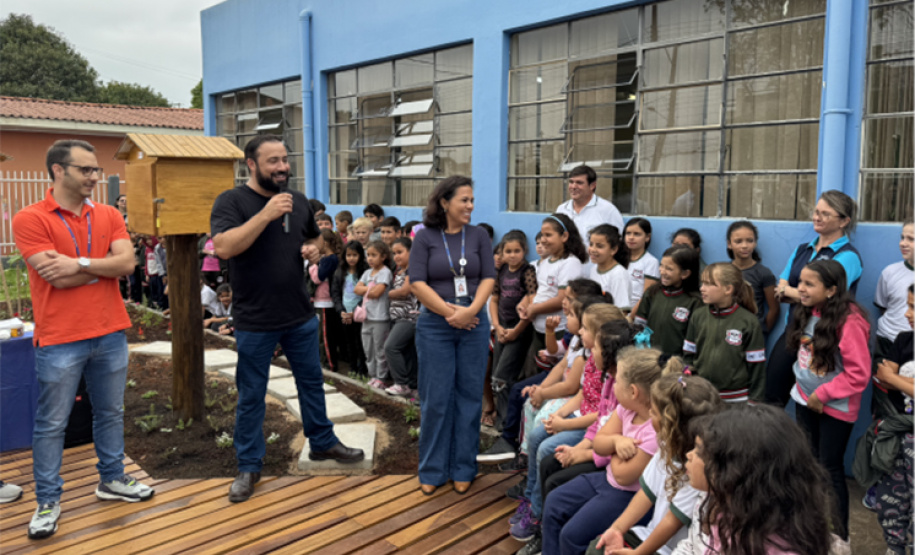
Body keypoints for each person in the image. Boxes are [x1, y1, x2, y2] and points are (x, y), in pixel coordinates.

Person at [210, 135, 363, 503]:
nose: (282, 167)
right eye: (272, 161)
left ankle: (322, 442)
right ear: (251, 164)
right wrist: (266, 214)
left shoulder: (296, 200)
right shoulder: (232, 201)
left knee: (311, 383)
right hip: (255, 319)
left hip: (298, 314)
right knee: (251, 395)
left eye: (284, 159)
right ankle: (249, 465)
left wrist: (312, 249)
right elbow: (225, 247)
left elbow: (313, 241)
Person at [13, 139, 153, 539]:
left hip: (109, 331)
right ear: (59, 170)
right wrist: (101, 269)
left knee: (110, 413)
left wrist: (79, 263)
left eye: (96, 169)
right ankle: (47, 501)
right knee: (52, 423)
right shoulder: (30, 218)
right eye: (85, 169)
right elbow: (54, 277)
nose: (95, 176)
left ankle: (112, 479)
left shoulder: (107, 214)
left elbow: (128, 263)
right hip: (60, 338)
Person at [511, 303, 626, 546]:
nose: (580, 332)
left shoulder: (617, 380)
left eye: (585, 328)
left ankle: (538, 516)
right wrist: (560, 416)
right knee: (537, 435)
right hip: (589, 430)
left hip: (594, 436)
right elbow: (586, 396)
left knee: (547, 450)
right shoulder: (594, 361)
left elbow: (601, 417)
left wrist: (567, 431)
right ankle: (531, 500)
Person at [410, 175, 495, 496]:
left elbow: (488, 277)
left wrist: (470, 311)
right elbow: (417, 282)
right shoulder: (424, 237)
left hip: (473, 324)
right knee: (436, 399)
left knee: (469, 398)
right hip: (435, 326)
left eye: (472, 200)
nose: (470, 206)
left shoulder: (479, 236)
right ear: (445, 202)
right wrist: (451, 314)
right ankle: (432, 469)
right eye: (464, 200)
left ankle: (463, 467)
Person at [540, 343, 661, 555]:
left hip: (628, 496)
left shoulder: (655, 432)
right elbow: (599, 443)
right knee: (554, 502)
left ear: (633, 391)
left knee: (572, 535)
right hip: (606, 480)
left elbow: (623, 476)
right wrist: (616, 442)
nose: (613, 385)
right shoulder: (625, 409)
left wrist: (609, 445)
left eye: (618, 381)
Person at [589, 372, 724, 555]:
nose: (649, 415)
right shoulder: (667, 446)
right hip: (649, 537)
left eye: (653, 412)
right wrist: (617, 529)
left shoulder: (698, 471)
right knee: (598, 547)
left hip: (671, 549)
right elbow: (647, 493)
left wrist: (638, 553)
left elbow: (671, 522)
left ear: (670, 424)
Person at [674, 405, 837, 555]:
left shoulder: (777, 549)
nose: (689, 455)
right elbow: (692, 546)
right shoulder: (718, 503)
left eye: (700, 452)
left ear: (736, 471)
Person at [788, 259, 870, 542]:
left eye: (809, 284)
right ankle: (809, 528)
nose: (801, 288)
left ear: (832, 290)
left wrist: (821, 395)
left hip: (834, 408)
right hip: (804, 401)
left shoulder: (850, 321)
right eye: (800, 282)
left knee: (829, 469)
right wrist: (802, 387)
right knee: (808, 465)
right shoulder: (808, 310)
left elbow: (859, 374)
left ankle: (840, 538)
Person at [768, 190, 862, 406]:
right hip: (793, 330)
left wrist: (791, 292)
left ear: (844, 221)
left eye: (825, 214)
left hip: (824, 337)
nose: (817, 218)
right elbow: (780, 287)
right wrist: (795, 292)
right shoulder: (803, 249)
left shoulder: (848, 257)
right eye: (816, 212)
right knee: (772, 396)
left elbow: (825, 297)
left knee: (813, 404)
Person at [684, 263, 766, 404]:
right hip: (702, 397)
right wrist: (688, 380)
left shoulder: (749, 321)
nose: (702, 288)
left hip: (736, 400)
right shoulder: (698, 316)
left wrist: (755, 400)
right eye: (702, 283)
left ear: (728, 289)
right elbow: (688, 355)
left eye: (709, 284)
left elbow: (757, 366)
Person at [517, 213, 588, 375]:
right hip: (539, 329)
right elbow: (540, 291)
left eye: (548, 235)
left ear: (564, 236)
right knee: (532, 372)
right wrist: (525, 304)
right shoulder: (546, 262)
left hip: (558, 331)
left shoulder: (570, 263)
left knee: (551, 375)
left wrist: (534, 309)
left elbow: (563, 298)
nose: (543, 239)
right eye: (542, 235)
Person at [489, 230, 537, 427]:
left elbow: (532, 302)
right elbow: (494, 300)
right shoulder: (501, 271)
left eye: (517, 251)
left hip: (520, 331)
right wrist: (497, 326)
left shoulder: (527, 271)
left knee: (503, 377)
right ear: (502, 253)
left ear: (524, 251)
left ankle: (509, 424)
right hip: (502, 328)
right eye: (508, 251)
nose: (512, 255)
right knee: (496, 379)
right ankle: (503, 420)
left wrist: (516, 331)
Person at [632, 245, 702, 358]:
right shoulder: (652, 292)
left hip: (675, 362)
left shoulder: (695, 302)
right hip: (649, 358)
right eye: (661, 266)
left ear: (685, 274)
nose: (662, 271)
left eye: (669, 269)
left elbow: (693, 340)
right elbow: (639, 326)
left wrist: (685, 364)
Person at [725, 221, 779, 335]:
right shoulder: (723, 272)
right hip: (727, 330)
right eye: (738, 241)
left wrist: (761, 332)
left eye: (750, 240)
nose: (745, 246)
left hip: (753, 332)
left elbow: (774, 309)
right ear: (729, 244)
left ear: (755, 243)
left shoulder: (764, 273)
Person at [354, 240, 393, 390]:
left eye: (374, 255)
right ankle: (373, 375)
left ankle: (381, 378)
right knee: (368, 349)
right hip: (366, 317)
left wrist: (366, 288)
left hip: (380, 318)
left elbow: (377, 293)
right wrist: (371, 288)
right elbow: (357, 289)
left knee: (379, 349)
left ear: (383, 256)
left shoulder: (385, 272)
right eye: (368, 255)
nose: (370, 258)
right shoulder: (367, 273)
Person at [384, 237, 420, 397]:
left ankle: (401, 383)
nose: (396, 256)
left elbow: (405, 291)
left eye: (400, 252)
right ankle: (413, 386)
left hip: (409, 317)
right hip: (398, 318)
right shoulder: (399, 271)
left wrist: (387, 293)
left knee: (391, 347)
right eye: (394, 253)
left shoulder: (413, 269)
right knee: (408, 352)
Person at [555, 165, 624, 247]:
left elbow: (619, 241)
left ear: (592, 185)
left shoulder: (608, 210)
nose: (573, 187)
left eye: (579, 183)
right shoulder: (562, 209)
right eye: (571, 182)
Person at [332, 241, 370, 376]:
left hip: (360, 314)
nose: (351, 258)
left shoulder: (365, 272)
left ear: (361, 256)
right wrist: (341, 311)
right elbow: (335, 293)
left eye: (355, 255)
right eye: (348, 255)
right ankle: (353, 367)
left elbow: (366, 295)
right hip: (345, 313)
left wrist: (356, 311)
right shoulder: (340, 272)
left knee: (360, 342)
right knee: (349, 342)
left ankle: (363, 370)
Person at [310, 229, 342, 372]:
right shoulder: (325, 259)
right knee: (320, 336)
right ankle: (323, 361)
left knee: (326, 337)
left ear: (325, 243)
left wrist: (313, 265)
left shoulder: (330, 259)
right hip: (319, 301)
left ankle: (329, 364)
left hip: (326, 302)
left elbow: (318, 278)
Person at [589, 224, 631, 310]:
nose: (593, 249)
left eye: (599, 246)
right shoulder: (593, 269)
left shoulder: (619, 274)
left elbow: (622, 311)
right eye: (591, 244)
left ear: (613, 250)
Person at [624, 217, 659, 311]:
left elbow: (647, 296)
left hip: (634, 312)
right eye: (628, 233)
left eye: (637, 234)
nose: (631, 237)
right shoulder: (618, 259)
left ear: (647, 237)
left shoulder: (651, 262)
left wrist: (630, 316)